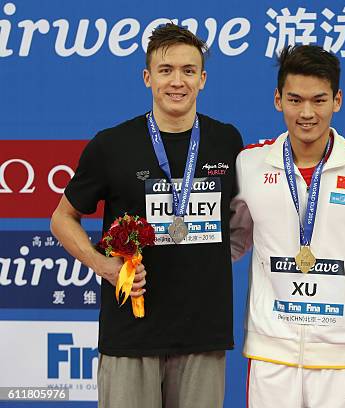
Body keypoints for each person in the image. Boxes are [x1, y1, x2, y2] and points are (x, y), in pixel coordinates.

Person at [50, 23, 243, 408]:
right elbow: (62, 218)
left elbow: (240, 224)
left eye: (188, 71)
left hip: (202, 336)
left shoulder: (227, 140)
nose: (177, 81)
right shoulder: (112, 145)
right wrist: (104, 265)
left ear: (202, 79)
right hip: (131, 334)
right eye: (166, 70)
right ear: (147, 77)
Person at [230, 45, 345, 407]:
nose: (307, 113)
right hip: (271, 355)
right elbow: (231, 244)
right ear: (278, 100)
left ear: (337, 100)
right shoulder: (249, 164)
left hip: (342, 356)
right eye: (295, 99)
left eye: (319, 100)